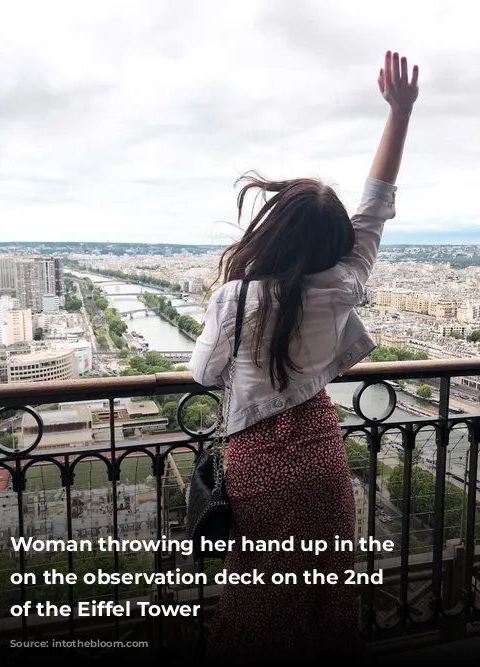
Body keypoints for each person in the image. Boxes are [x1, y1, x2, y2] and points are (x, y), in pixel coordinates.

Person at [189, 51, 419, 661]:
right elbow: (376, 205)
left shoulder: (235, 298)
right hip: (321, 452)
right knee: (327, 601)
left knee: (260, 609)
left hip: (261, 464)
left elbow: (203, 372)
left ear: (272, 231)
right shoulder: (345, 282)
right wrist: (400, 112)